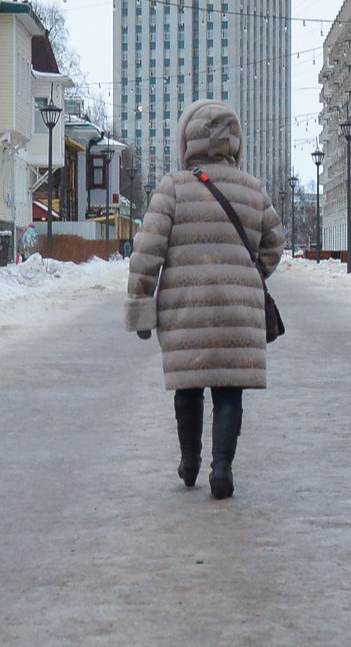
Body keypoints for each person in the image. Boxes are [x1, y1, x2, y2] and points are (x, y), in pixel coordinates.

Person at [125, 99, 282, 500]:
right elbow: (274, 246)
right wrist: (249, 276)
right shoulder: (253, 190)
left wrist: (142, 306)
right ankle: (222, 467)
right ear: (235, 142)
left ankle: (189, 461)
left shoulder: (173, 189)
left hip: (184, 310)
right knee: (230, 387)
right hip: (236, 311)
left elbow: (147, 252)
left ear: (187, 141)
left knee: (189, 385)